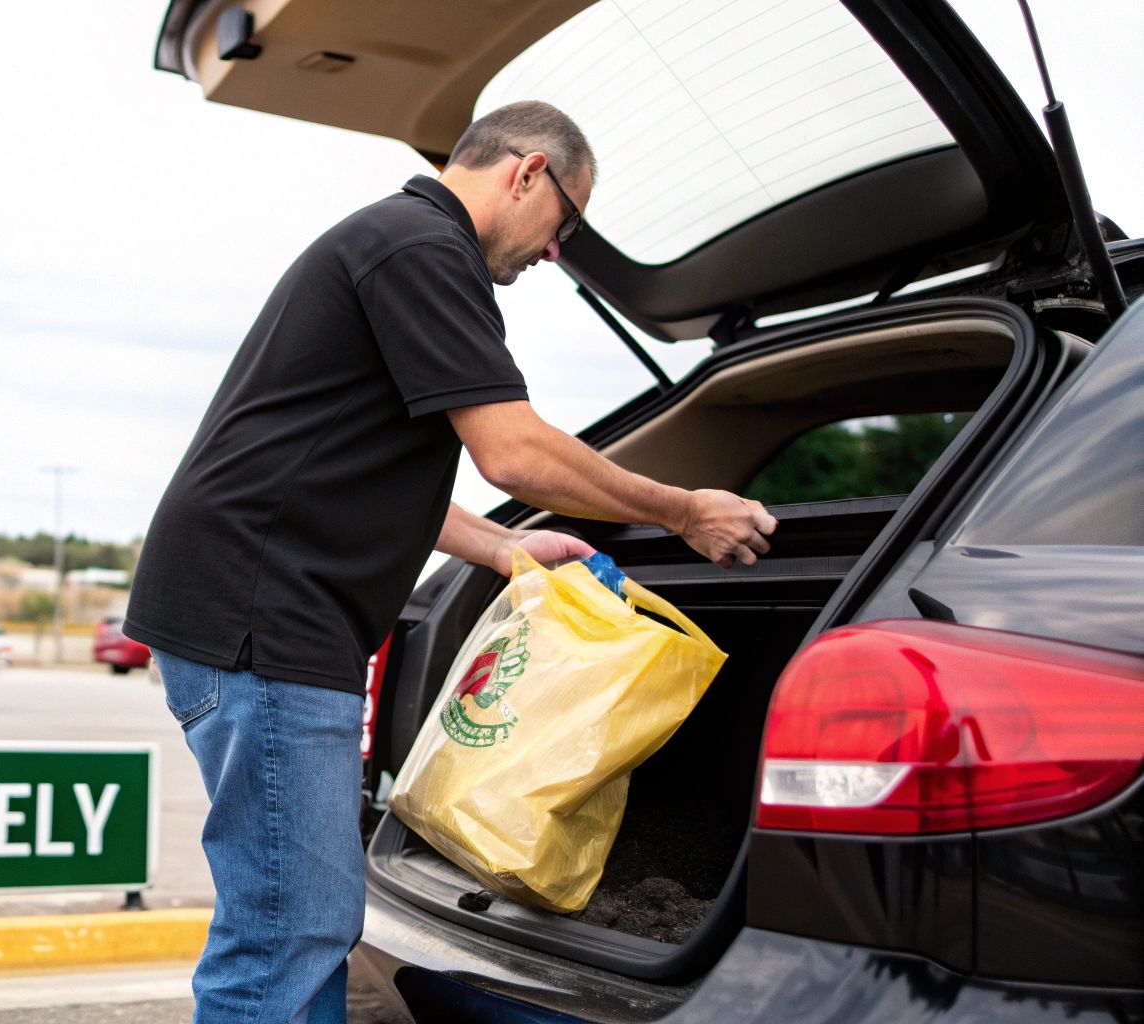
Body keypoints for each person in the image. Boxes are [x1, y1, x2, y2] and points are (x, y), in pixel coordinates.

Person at [123, 100, 777, 1024]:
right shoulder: (422, 249)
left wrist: (507, 546)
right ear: (527, 172)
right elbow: (513, 451)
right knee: (286, 929)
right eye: (569, 223)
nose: (557, 252)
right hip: (261, 619)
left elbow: (369, 471)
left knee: (297, 923)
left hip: (249, 610)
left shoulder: (395, 244)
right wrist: (683, 511)